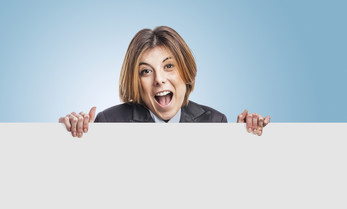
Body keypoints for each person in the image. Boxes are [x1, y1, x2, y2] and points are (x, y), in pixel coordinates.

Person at [59, 26, 270, 137]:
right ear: (135, 81)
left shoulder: (215, 122)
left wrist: (245, 142)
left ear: (185, 71)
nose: (159, 80)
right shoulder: (110, 122)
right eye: (145, 71)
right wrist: (69, 138)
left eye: (168, 66)